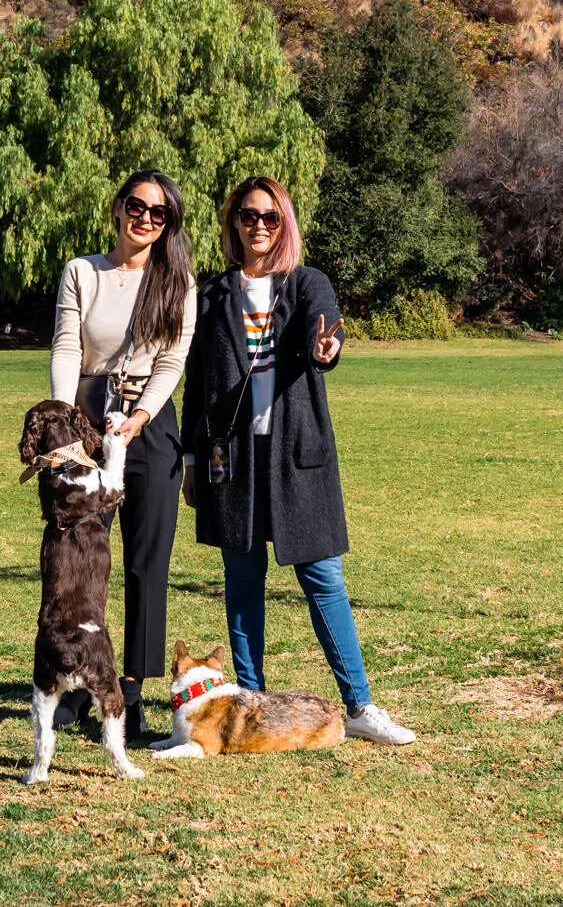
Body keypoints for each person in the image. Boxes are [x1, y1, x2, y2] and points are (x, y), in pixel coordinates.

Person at [179, 176, 416, 746]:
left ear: (284, 223)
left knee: (323, 577)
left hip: (296, 456)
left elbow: (324, 322)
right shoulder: (211, 294)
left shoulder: (305, 283)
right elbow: (195, 383)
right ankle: (251, 701)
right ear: (233, 222)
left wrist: (326, 343)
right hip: (230, 457)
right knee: (242, 581)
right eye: (246, 214)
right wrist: (189, 458)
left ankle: (358, 706)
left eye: (270, 216)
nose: (258, 225)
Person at [49, 169, 198, 739]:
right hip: (86, 420)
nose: (146, 219)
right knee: (81, 560)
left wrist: (138, 420)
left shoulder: (179, 283)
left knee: (145, 563)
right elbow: (67, 346)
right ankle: (76, 683)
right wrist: (65, 426)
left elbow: (171, 363)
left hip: (151, 427)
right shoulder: (83, 271)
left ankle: (129, 692)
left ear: (169, 224)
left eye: (160, 213)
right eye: (137, 206)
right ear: (118, 207)